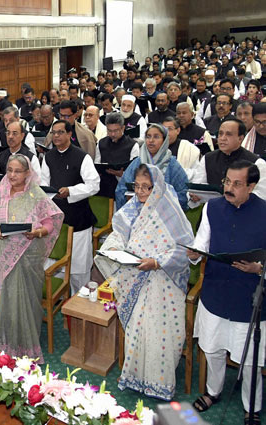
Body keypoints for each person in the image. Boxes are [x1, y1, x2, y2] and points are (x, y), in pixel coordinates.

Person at [95, 164, 193, 400]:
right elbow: (117, 234)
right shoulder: (131, 209)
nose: (139, 193)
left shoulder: (169, 211)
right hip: (135, 277)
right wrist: (113, 249)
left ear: (157, 188)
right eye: (136, 186)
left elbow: (187, 251)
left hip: (163, 282)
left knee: (157, 329)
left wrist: (157, 262)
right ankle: (135, 376)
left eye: (146, 188)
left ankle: (159, 382)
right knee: (137, 329)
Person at [188, 161, 266, 420]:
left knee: (251, 359)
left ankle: (251, 407)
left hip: (250, 298)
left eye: (237, 184)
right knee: (213, 349)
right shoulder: (212, 207)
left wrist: (259, 268)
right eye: (227, 182)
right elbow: (201, 245)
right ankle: (214, 391)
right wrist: (193, 255)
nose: (229, 188)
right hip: (216, 291)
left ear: (251, 186)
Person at [0, 154, 63, 361]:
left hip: (27, 255)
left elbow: (51, 223)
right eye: (9, 170)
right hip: (5, 253)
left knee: (25, 299)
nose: (12, 175)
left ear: (27, 173)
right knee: (8, 299)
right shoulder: (2, 193)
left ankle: (27, 344)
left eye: (17, 171)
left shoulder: (35, 195)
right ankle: (8, 341)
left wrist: (37, 232)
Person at [40, 120, 100, 294]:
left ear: (69, 134)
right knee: (55, 262)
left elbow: (94, 184)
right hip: (56, 216)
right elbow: (44, 181)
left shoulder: (82, 156)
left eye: (60, 132)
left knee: (78, 265)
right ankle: (59, 295)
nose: (56, 136)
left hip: (78, 218)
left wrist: (71, 191)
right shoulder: (49, 156)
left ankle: (79, 299)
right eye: (54, 132)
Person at [190, 118, 266, 205]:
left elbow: (261, 195)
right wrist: (197, 196)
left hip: (244, 212)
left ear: (240, 138)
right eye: (220, 134)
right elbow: (199, 185)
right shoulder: (208, 158)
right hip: (214, 210)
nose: (222, 138)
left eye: (228, 134)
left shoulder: (256, 163)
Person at [116, 124, 189, 210]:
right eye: (148, 136)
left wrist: (161, 201)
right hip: (137, 213)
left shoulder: (172, 165)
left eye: (156, 137)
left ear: (164, 140)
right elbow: (121, 189)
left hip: (164, 216)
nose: (151, 140)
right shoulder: (137, 163)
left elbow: (183, 193)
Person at [95, 113, 139, 198]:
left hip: (123, 188)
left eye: (116, 131)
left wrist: (122, 174)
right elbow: (97, 163)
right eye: (109, 131)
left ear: (123, 128)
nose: (112, 134)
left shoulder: (133, 145)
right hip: (104, 188)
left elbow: (134, 171)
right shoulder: (101, 143)